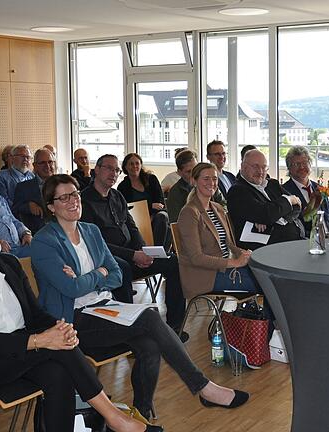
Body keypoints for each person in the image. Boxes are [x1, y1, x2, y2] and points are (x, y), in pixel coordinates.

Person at [31, 174, 248, 419]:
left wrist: (91, 276)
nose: (73, 201)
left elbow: (116, 274)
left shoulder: (90, 231)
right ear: (51, 206)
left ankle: (141, 412)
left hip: (103, 307)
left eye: (76, 194)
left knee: (150, 344)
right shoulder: (44, 242)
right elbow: (71, 290)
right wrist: (99, 272)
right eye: (64, 197)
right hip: (72, 320)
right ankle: (202, 387)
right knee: (148, 317)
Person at [0, 204, 162, 432]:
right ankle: (115, 418)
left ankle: (114, 419)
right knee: (57, 349)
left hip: (17, 350)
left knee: (58, 373)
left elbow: (35, 314)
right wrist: (41, 341)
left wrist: (59, 328)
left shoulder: (8, 264)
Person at [80, 155, 186, 331]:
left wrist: (143, 251)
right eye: (108, 168)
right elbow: (97, 244)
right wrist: (133, 255)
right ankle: (129, 332)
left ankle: (175, 328)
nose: (113, 173)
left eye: (116, 170)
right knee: (123, 268)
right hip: (106, 259)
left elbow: (132, 227)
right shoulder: (85, 201)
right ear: (96, 170)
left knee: (174, 262)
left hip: (132, 254)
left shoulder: (117, 195)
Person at [176, 162, 259, 298]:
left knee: (265, 276)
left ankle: (257, 318)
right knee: (263, 283)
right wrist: (234, 263)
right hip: (204, 276)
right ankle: (261, 319)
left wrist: (244, 255)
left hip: (224, 268)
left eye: (214, 179)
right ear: (194, 181)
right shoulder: (189, 212)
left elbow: (229, 244)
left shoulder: (217, 208)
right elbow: (196, 258)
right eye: (206, 179)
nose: (212, 183)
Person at [227, 149, 303, 251]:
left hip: (293, 243)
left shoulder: (273, 184)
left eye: (264, 167)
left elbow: (297, 206)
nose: (260, 171)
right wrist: (289, 200)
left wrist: (274, 217)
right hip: (264, 252)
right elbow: (266, 214)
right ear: (243, 167)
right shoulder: (237, 191)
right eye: (255, 166)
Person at [281, 146, 329, 237]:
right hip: (306, 243)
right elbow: (294, 229)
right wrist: (321, 237)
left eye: (305, 163)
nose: (302, 167)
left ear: (310, 164)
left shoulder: (320, 188)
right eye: (297, 164)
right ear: (289, 168)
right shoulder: (284, 192)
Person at [117, 153, 169, 248]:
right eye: (131, 164)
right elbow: (127, 207)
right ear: (125, 167)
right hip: (135, 219)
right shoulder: (122, 187)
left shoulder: (151, 179)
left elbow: (160, 202)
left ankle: (158, 250)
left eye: (137, 163)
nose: (134, 166)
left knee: (162, 217)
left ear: (141, 165)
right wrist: (150, 206)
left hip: (155, 215)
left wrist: (150, 213)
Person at [167, 149, 225, 224]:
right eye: (188, 172)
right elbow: (176, 223)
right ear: (179, 172)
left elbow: (224, 207)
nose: (193, 174)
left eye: (196, 169)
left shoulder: (210, 186)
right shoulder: (176, 192)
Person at [13, 148, 56, 234]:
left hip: (63, 229)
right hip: (38, 233)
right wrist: (28, 206)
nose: (47, 166)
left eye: (50, 162)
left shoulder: (63, 184)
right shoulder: (23, 187)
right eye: (42, 163)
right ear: (35, 166)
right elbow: (15, 210)